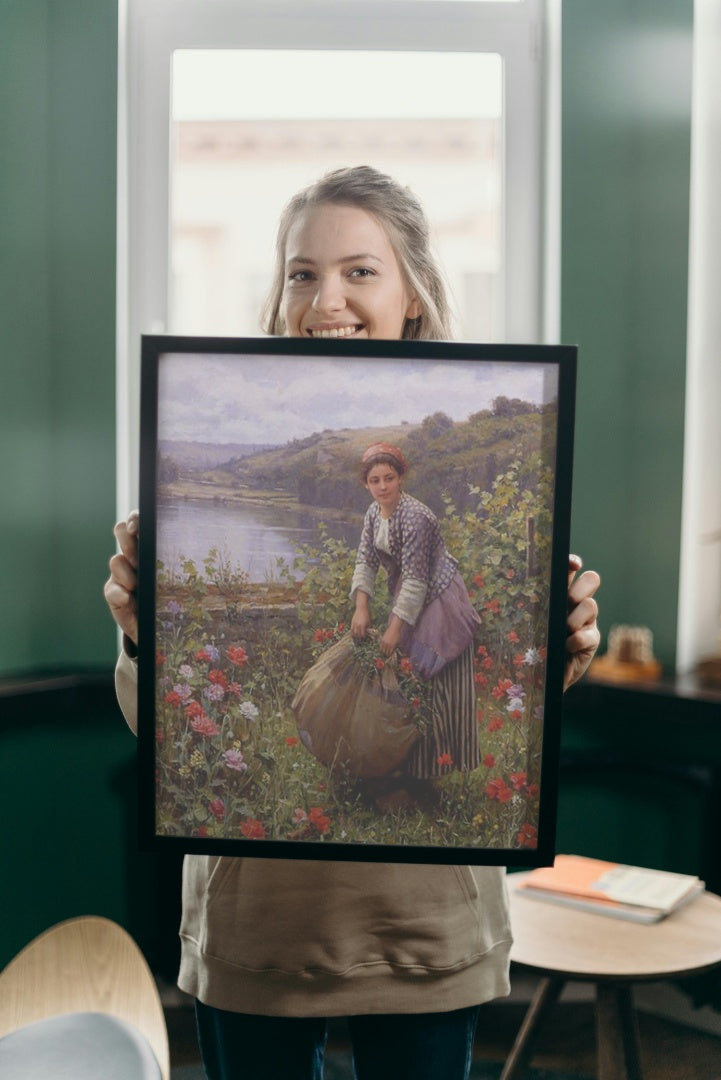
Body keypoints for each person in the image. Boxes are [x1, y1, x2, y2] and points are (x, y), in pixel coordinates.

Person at [105, 166, 601, 1080]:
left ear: (413, 292)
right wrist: (145, 637)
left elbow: (428, 596)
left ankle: (404, 782)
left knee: (421, 709)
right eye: (301, 273)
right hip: (258, 928)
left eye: (359, 271)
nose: (324, 297)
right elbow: (163, 729)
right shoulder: (366, 508)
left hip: (423, 925)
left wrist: (558, 651)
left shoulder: (425, 503)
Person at [351, 442, 482, 789]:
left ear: (401, 478)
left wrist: (394, 629)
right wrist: (361, 607)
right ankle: (406, 770)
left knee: (427, 675)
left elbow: (415, 580)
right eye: (374, 480)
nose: (382, 487)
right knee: (409, 678)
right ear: (366, 483)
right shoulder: (372, 514)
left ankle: (426, 779)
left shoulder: (417, 517)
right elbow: (365, 560)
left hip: (439, 600)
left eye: (389, 478)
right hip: (411, 600)